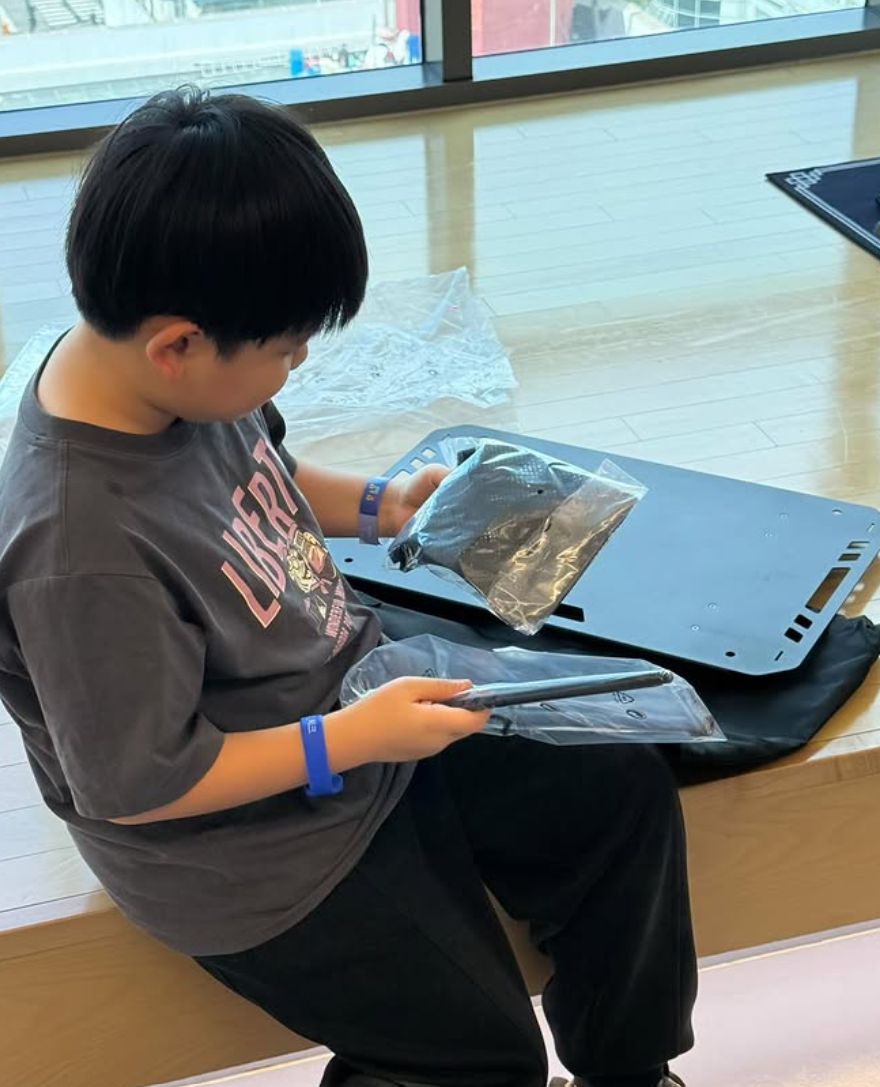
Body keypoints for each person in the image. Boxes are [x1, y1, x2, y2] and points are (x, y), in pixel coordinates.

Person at [0, 88, 696, 1087]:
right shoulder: (77, 550)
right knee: (482, 1057)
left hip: (358, 698)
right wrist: (349, 739)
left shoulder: (160, 381)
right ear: (177, 345)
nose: (293, 368)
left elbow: (262, 475)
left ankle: (628, 1071)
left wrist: (382, 504)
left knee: (619, 786)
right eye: (285, 350)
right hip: (245, 850)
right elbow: (143, 787)